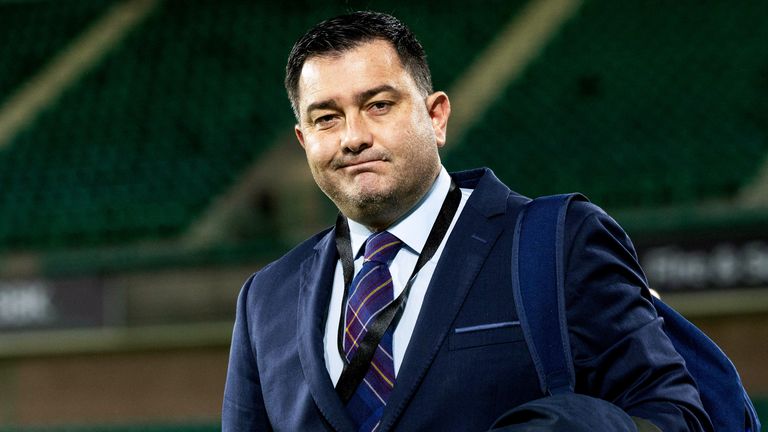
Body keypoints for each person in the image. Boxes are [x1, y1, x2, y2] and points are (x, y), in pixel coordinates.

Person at [222, 11, 713, 432]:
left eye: (378, 105)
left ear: (436, 117)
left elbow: (676, 416)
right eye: (326, 117)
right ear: (304, 140)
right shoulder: (265, 298)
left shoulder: (559, 241)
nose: (353, 137)